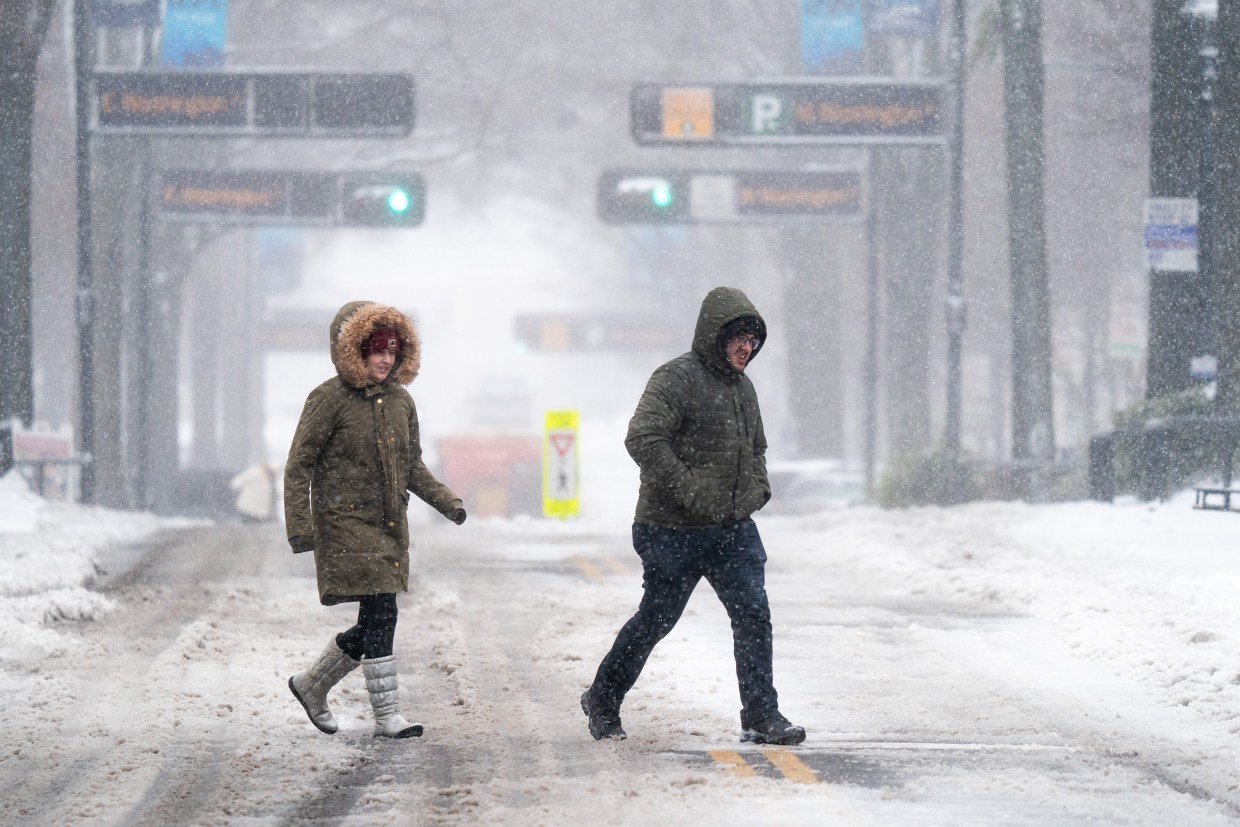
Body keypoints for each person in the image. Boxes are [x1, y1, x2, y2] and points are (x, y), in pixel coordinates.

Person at [581, 286, 805, 746]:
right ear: (715, 335)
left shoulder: (745, 390)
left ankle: (761, 715)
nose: (747, 348)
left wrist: (757, 489)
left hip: (732, 529)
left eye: (753, 340)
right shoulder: (675, 379)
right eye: (739, 338)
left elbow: (756, 448)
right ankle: (602, 699)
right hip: (671, 530)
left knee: (753, 614)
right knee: (658, 619)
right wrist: (693, 492)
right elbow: (643, 438)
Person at [284, 301, 467, 739]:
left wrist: (447, 501)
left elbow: (412, 466)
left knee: (375, 620)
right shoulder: (327, 399)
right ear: (354, 350)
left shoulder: (403, 402)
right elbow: (299, 466)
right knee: (384, 611)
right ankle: (387, 717)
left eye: (392, 349)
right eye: (375, 349)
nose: (385, 358)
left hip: (387, 526)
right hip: (344, 523)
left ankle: (311, 686)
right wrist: (301, 528)